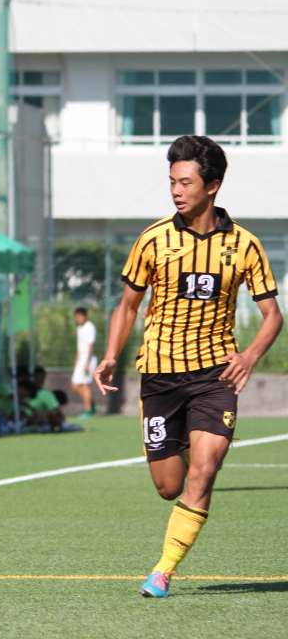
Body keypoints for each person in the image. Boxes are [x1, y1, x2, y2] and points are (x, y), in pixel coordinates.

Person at [93, 136, 282, 598]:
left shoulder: (244, 245)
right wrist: (112, 354)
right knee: (168, 485)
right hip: (159, 375)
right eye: (172, 181)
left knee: (205, 469)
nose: (176, 191)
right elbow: (128, 306)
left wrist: (249, 356)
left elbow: (273, 315)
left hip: (216, 376)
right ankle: (177, 446)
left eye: (186, 182)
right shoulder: (153, 239)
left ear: (212, 186)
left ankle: (162, 571)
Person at [71, 308, 97, 418]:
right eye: (78, 316)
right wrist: (77, 358)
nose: (79, 318)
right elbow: (80, 346)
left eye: (81, 316)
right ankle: (91, 404)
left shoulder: (89, 327)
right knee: (75, 385)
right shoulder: (79, 328)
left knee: (85, 384)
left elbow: (90, 345)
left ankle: (88, 410)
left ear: (85, 316)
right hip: (81, 360)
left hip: (88, 360)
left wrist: (86, 362)